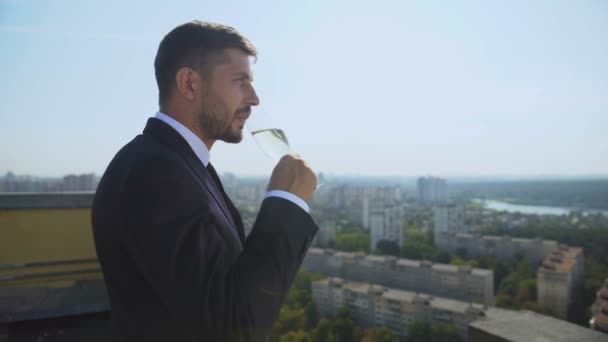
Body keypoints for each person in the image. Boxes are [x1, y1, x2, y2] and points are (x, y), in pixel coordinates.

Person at [91, 20, 318, 342]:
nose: (254, 99)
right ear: (190, 84)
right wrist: (286, 202)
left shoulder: (176, 163)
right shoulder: (157, 173)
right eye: (240, 81)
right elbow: (232, 325)